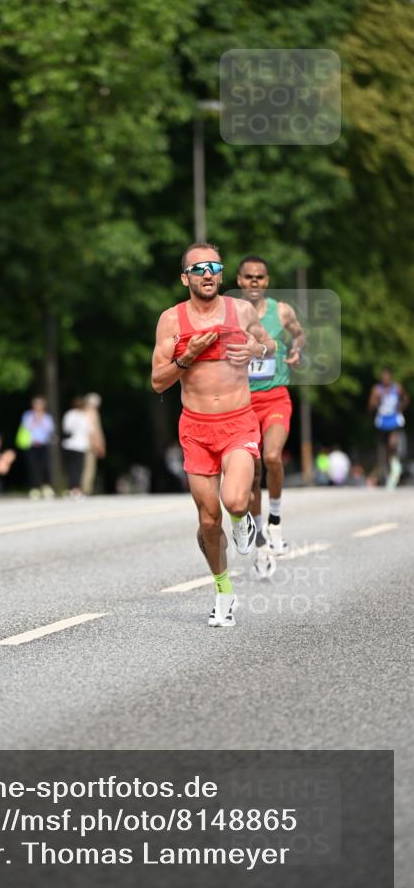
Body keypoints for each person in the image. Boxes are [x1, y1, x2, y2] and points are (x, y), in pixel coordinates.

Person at [151, 242, 276, 628]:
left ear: (221, 275)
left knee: (236, 500)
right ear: (185, 277)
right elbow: (158, 381)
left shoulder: (240, 310)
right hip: (196, 428)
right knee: (208, 522)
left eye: (214, 267)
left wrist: (254, 347)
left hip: (238, 420)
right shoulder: (172, 321)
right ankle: (224, 592)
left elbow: (268, 345)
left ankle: (243, 520)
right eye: (199, 267)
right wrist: (188, 356)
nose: (207, 273)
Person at [236, 255, 305, 577]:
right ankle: (260, 531)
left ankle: (275, 521)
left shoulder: (281, 311)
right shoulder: (229, 313)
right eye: (248, 277)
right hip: (242, 403)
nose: (254, 282)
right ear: (239, 281)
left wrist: (297, 349)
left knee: (273, 456)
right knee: (253, 473)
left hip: (276, 396)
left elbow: (298, 333)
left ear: (266, 281)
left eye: (259, 277)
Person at [368, 367, 409, 489]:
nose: (385, 379)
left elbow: (406, 399)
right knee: (385, 448)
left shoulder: (397, 388)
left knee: (393, 443)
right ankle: (389, 471)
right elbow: (370, 406)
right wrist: (375, 402)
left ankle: (396, 464)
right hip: (382, 421)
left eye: (387, 377)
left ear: (390, 377)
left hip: (394, 420)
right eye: (383, 377)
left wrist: (400, 408)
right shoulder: (377, 390)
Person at [18, 396, 55, 499]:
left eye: (40, 404)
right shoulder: (28, 415)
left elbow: (49, 429)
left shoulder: (47, 417)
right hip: (31, 444)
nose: (37, 406)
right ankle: (34, 488)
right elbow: (26, 427)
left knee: (45, 466)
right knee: (32, 467)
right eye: (36, 404)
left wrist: (41, 420)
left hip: (43, 444)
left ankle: (46, 487)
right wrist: (35, 420)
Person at [61, 397, 91, 497]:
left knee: (71, 468)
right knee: (78, 468)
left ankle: (71, 488)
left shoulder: (69, 414)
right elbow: (89, 430)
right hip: (80, 445)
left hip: (69, 445)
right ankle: (76, 488)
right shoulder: (84, 416)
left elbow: (66, 428)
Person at [81, 393, 106, 495]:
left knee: (84, 466)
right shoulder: (91, 413)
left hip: (83, 444)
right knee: (89, 467)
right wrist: (98, 445)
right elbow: (93, 431)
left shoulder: (82, 412)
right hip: (90, 444)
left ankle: (84, 488)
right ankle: (86, 489)